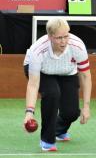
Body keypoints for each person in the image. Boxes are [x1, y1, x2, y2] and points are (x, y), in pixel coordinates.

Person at [23, 17, 92, 151]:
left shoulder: (77, 45)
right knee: (52, 93)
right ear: (50, 36)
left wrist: (86, 106)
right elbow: (33, 84)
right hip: (43, 72)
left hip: (66, 71)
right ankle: (47, 141)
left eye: (66, 36)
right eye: (59, 37)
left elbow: (85, 75)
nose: (64, 41)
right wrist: (29, 112)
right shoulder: (38, 50)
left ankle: (58, 130)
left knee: (71, 113)